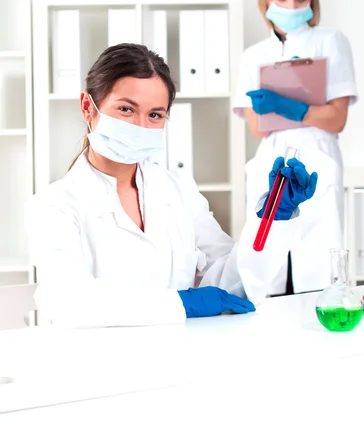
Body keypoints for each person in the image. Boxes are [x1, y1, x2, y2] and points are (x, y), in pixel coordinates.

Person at [26, 43, 317, 328]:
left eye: (155, 114)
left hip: (183, 359)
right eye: (126, 109)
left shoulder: (177, 190)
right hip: (101, 367)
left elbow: (231, 285)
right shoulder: (53, 206)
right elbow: (70, 302)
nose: (141, 125)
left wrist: (272, 219)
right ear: (87, 107)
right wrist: (182, 303)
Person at [233, 0, 357, 296]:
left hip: (317, 152)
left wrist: (289, 106)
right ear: (266, 3)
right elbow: (258, 129)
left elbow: (337, 118)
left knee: (317, 252)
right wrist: (282, 111)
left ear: (312, 2)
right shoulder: (253, 55)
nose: (291, 7)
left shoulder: (330, 42)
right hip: (271, 155)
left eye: (300, 0)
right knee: (267, 252)